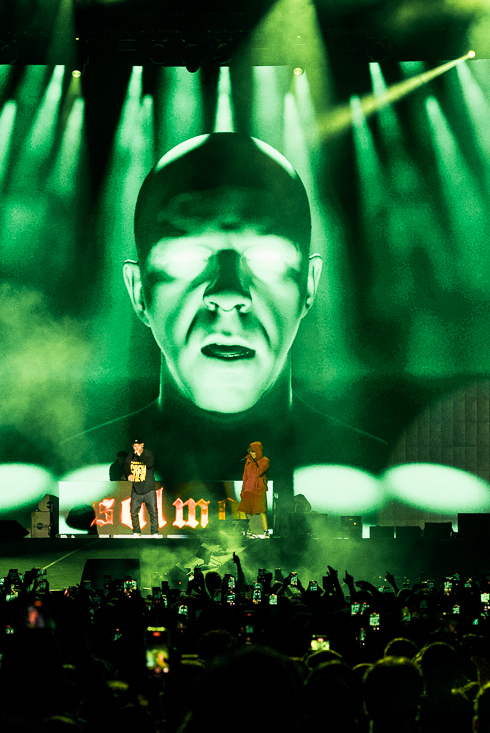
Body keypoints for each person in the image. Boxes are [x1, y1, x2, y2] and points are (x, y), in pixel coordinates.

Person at [60, 133, 387, 489]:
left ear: (309, 285)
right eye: (185, 258)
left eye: (268, 258)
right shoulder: (70, 483)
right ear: (139, 291)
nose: (229, 295)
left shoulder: (383, 476)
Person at [125, 438, 158, 536]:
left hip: (149, 489)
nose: (136, 448)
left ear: (142, 445)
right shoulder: (130, 456)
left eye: (138, 446)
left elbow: (150, 464)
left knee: (153, 512)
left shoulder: (148, 454)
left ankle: (154, 532)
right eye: (134, 446)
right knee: (133, 512)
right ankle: (136, 531)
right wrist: (129, 474)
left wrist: (140, 456)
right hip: (136, 489)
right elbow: (126, 467)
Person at [238, 441, 269, 533]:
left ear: (258, 451)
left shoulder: (265, 461)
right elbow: (245, 476)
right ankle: (246, 530)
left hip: (259, 490)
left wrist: (252, 462)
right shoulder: (248, 461)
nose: (250, 453)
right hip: (248, 490)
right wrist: (243, 489)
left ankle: (266, 532)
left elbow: (258, 472)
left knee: (262, 512)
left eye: (253, 451)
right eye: (250, 451)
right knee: (242, 510)